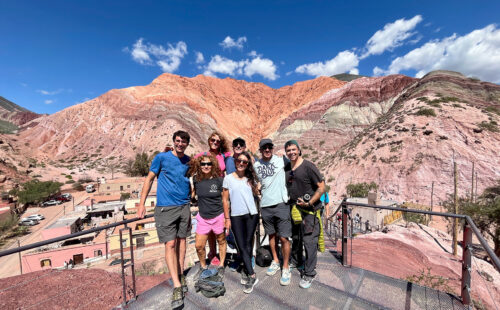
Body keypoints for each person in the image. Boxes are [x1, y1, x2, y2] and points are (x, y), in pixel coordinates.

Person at [137, 130, 191, 308]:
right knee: (170, 244)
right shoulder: (161, 158)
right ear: (173, 141)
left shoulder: (188, 161)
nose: (180, 144)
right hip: (166, 208)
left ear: (187, 143)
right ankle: (176, 284)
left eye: (183, 141)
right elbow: (150, 179)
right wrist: (141, 203)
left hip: (184, 207)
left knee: (182, 241)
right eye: (177, 141)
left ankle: (181, 274)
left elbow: (188, 179)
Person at [284, 140, 325, 289]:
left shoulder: (308, 166)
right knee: (296, 238)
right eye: (288, 150)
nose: (291, 152)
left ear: (299, 150)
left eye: (294, 149)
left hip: (310, 211)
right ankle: (298, 262)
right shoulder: (288, 168)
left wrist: (309, 202)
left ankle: (309, 273)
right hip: (295, 210)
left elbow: (321, 187)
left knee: (309, 241)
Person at [254, 138, 292, 286]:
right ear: (261, 150)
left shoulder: (281, 160)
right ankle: (276, 260)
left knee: (284, 238)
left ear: (273, 148)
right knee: (271, 235)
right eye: (264, 148)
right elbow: (256, 181)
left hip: (281, 204)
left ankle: (286, 266)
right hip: (266, 205)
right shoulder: (256, 165)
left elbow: (294, 168)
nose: (267, 150)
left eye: (270, 147)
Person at [222, 151, 260, 294]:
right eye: (239, 161)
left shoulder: (251, 178)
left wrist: (252, 159)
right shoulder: (228, 178)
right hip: (236, 216)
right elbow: (225, 200)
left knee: (248, 244)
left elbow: (257, 192)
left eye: (245, 162)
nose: (242, 163)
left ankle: (247, 271)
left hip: (251, 215)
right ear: (235, 161)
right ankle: (252, 274)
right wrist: (227, 219)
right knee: (241, 245)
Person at [188, 154, 227, 277]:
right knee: (199, 245)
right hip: (203, 218)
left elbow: (225, 201)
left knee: (221, 241)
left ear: (213, 165)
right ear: (199, 166)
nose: (206, 166)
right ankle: (203, 266)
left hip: (218, 216)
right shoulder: (196, 180)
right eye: (203, 164)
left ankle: (221, 265)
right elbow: (193, 196)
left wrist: (227, 218)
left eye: (208, 164)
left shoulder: (219, 181)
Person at [195, 131, 231, 266]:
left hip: (218, 188)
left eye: (218, 141)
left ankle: (218, 257)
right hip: (206, 187)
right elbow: (191, 162)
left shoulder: (223, 156)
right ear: (209, 141)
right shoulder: (204, 156)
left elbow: (235, 157)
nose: (215, 142)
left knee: (219, 232)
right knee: (208, 232)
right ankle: (212, 253)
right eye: (213, 140)